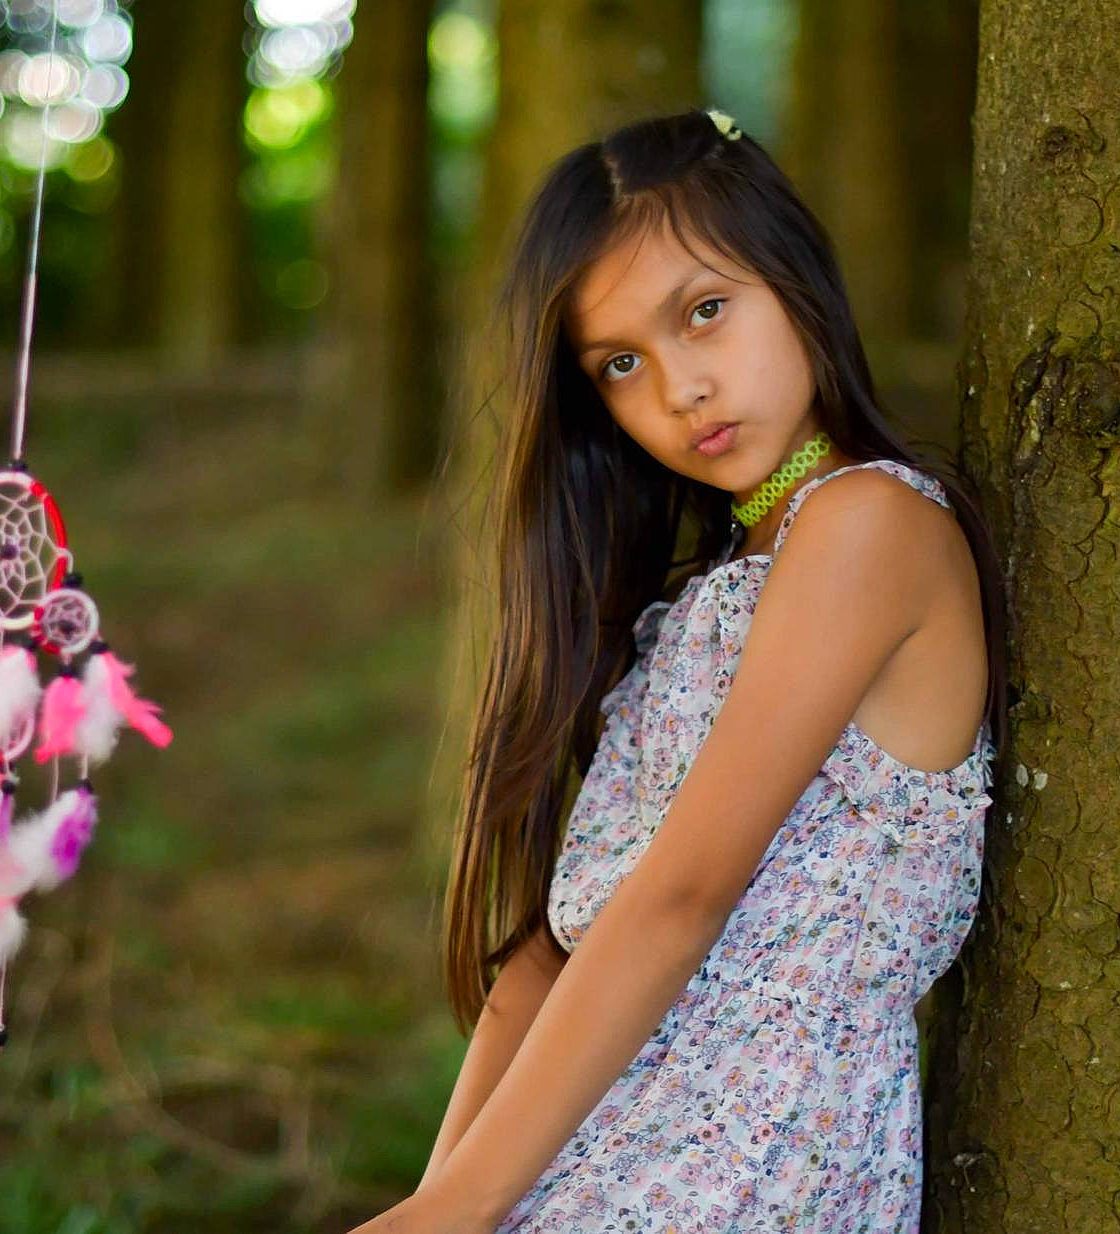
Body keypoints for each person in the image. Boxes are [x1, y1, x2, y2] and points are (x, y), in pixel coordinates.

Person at [347, 107, 1008, 1233]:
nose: (680, 389)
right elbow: (550, 954)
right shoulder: (697, 609)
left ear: (793, 273)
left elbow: (680, 899)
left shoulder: (867, 530)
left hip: (754, 1162)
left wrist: (457, 1206)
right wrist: (438, 1202)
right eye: (621, 364)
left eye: (704, 311)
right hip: (586, 1145)